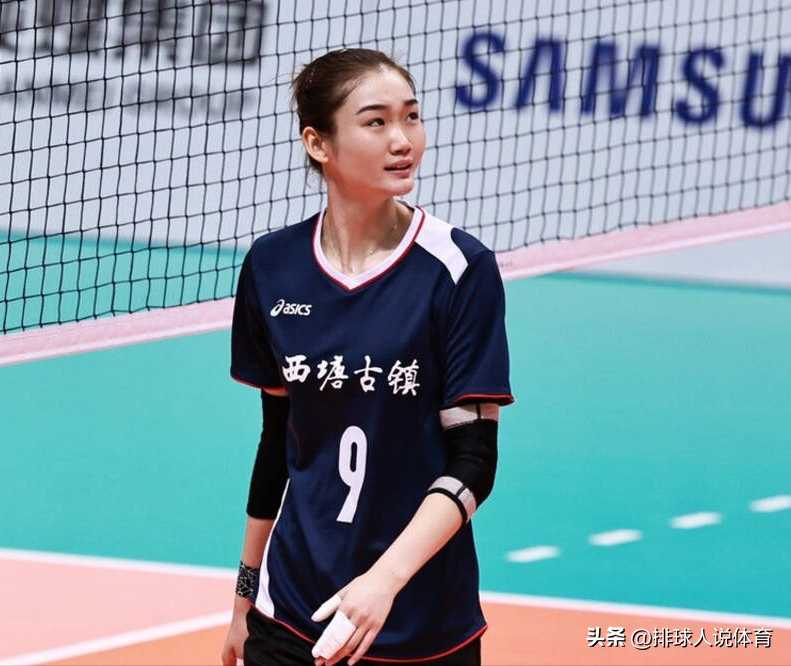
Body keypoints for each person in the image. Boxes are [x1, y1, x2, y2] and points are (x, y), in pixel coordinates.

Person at [221, 48, 513, 666]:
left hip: (420, 627)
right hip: (291, 613)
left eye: (411, 117)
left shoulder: (459, 269)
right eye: (376, 122)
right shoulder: (273, 266)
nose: (402, 140)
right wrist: (245, 596)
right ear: (318, 143)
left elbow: (474, 462)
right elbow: (278, 443)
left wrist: (385, 581)